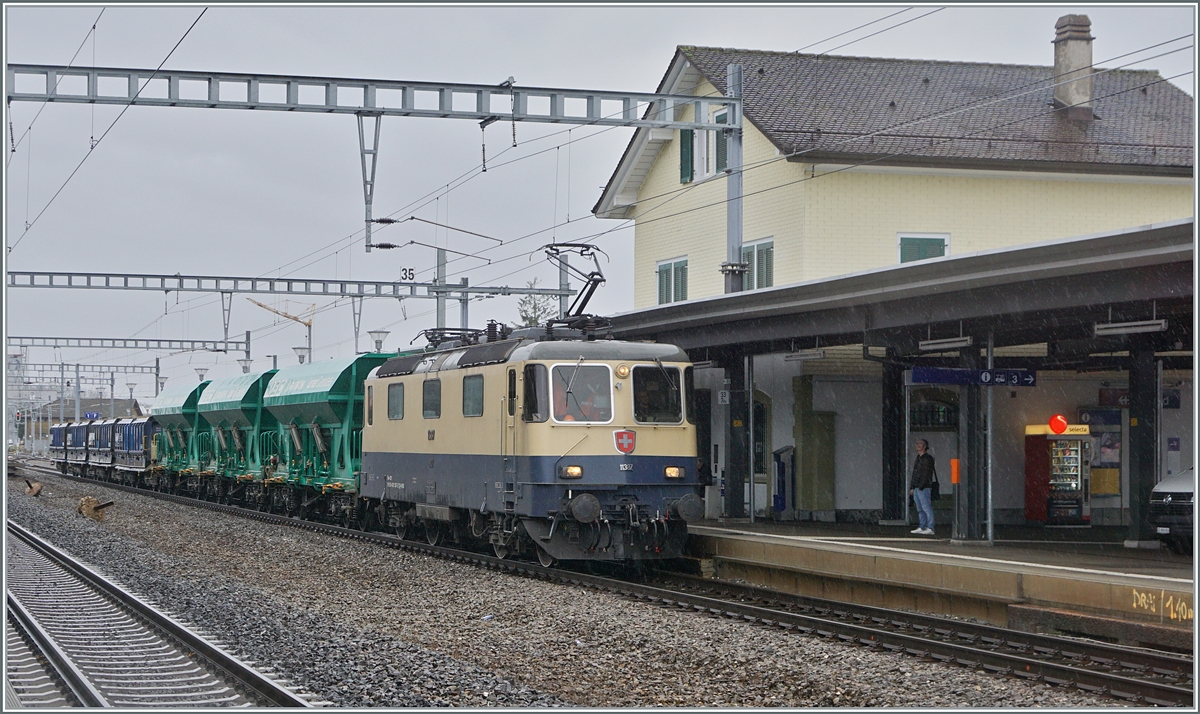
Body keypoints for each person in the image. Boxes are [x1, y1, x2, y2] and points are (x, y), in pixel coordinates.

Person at [909, 439, 936, 535]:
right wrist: (912, 487)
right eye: (917, 443)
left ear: (925, 446)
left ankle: (930, 527)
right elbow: (915, 473)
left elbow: (926, 474)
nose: (918, 445)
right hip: (918, 487)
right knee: (920, 508)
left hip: (923, 487)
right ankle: (923, 526)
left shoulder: (927, 459)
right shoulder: (919, 458)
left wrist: (920, 486)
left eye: (920, 444)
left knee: (926, 507)